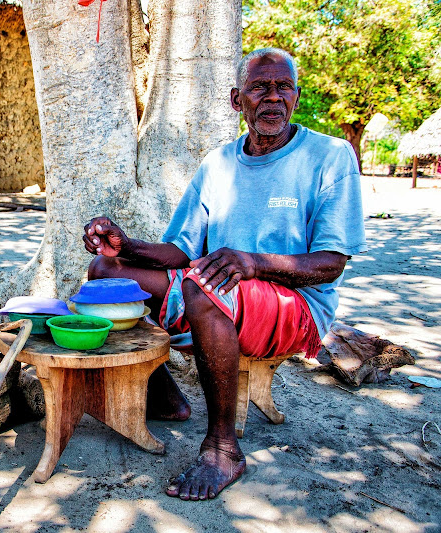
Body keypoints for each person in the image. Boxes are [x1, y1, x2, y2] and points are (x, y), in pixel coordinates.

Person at [82, 48, 366, 500]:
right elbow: (180, 251)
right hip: (221, 293)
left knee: (203, 287)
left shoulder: (330, 156)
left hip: (298, 308)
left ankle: (222, 447)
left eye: (283, 87)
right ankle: (166, 395)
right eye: (259, 88)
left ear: (296, 96)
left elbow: (331, 262)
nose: (273, 98)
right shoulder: (219, 163)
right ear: (237, 100)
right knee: (106, 272)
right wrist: (125, 245)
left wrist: (253, 262)